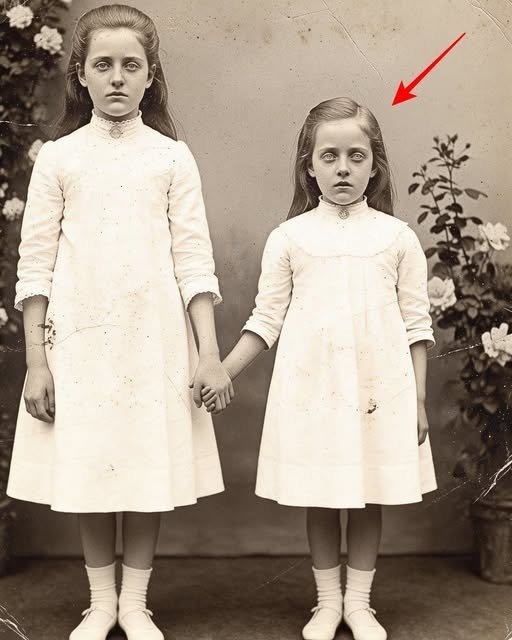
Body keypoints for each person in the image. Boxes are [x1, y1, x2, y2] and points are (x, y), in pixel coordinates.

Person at [7, 5, 233, 639]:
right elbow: (36, 267)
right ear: (80, 75)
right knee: (92, 464)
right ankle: (100, 602)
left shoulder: (171, 158)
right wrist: (37, 362)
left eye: (131, 65)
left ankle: (134, 603)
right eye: (102, 64)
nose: (116, 77)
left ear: (150, 75)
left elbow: (194, 261)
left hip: (151, 340)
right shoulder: (59, 159)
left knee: (141, 465)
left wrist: (207, 354)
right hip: (80, 341)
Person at [203, 97, 436, 640]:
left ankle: (360, 604)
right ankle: (328, 604)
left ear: (375, 165)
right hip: (315, 391)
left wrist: (419, 400)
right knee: (324, 497)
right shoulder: (290, 238)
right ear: (308, 165)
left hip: (379, 391)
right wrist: (222, 371)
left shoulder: (397, 238)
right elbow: (266, 320)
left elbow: (416, 326)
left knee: (368, 494)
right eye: (329, 156)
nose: (343, 168)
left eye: (357, 156)